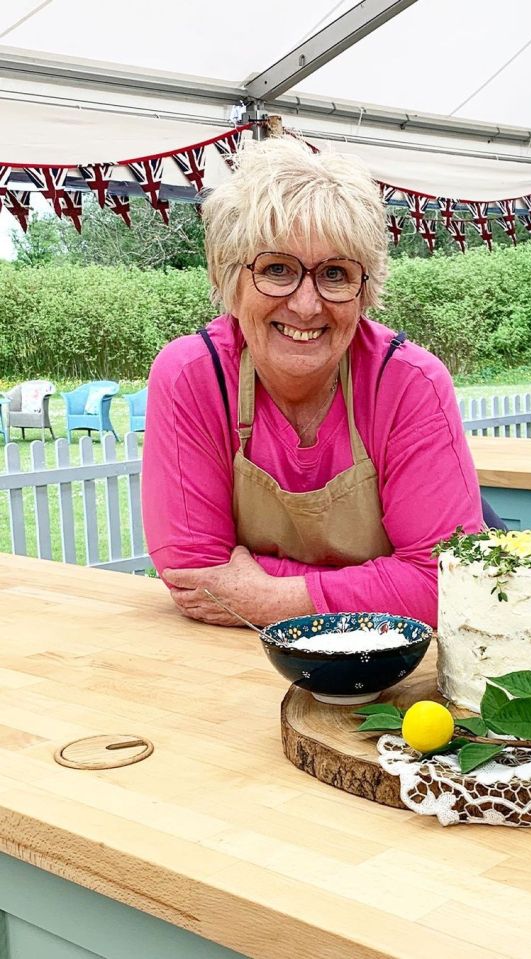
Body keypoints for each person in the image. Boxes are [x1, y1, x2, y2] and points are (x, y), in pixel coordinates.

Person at [142, 136, 483, 628]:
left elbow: (447, 582)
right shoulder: (194, 376)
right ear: (227, 278)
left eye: (336, 274)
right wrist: (380, 584)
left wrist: (269, 598)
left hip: (392, 670)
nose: (306, 304)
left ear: (365, 291)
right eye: (276, 269)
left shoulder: (409, 383)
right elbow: (196, 575)